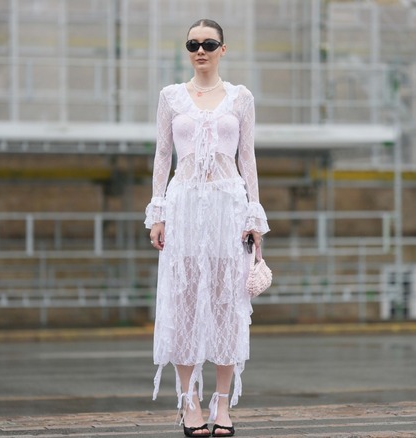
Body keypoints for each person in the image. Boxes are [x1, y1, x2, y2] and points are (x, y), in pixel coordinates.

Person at [145, 18, 269, 438]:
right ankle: (188, 402)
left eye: (209, 43)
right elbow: (163, 155)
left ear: (222, 49)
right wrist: (157, 213)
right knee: (183, 299)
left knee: (225, 300)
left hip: (227, 207)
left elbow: (247, 157)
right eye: (193, 44)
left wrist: (255, 216)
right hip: (183, 207)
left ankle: (221, 402)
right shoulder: (170, 97)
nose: (200, 50)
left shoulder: (240, 98)